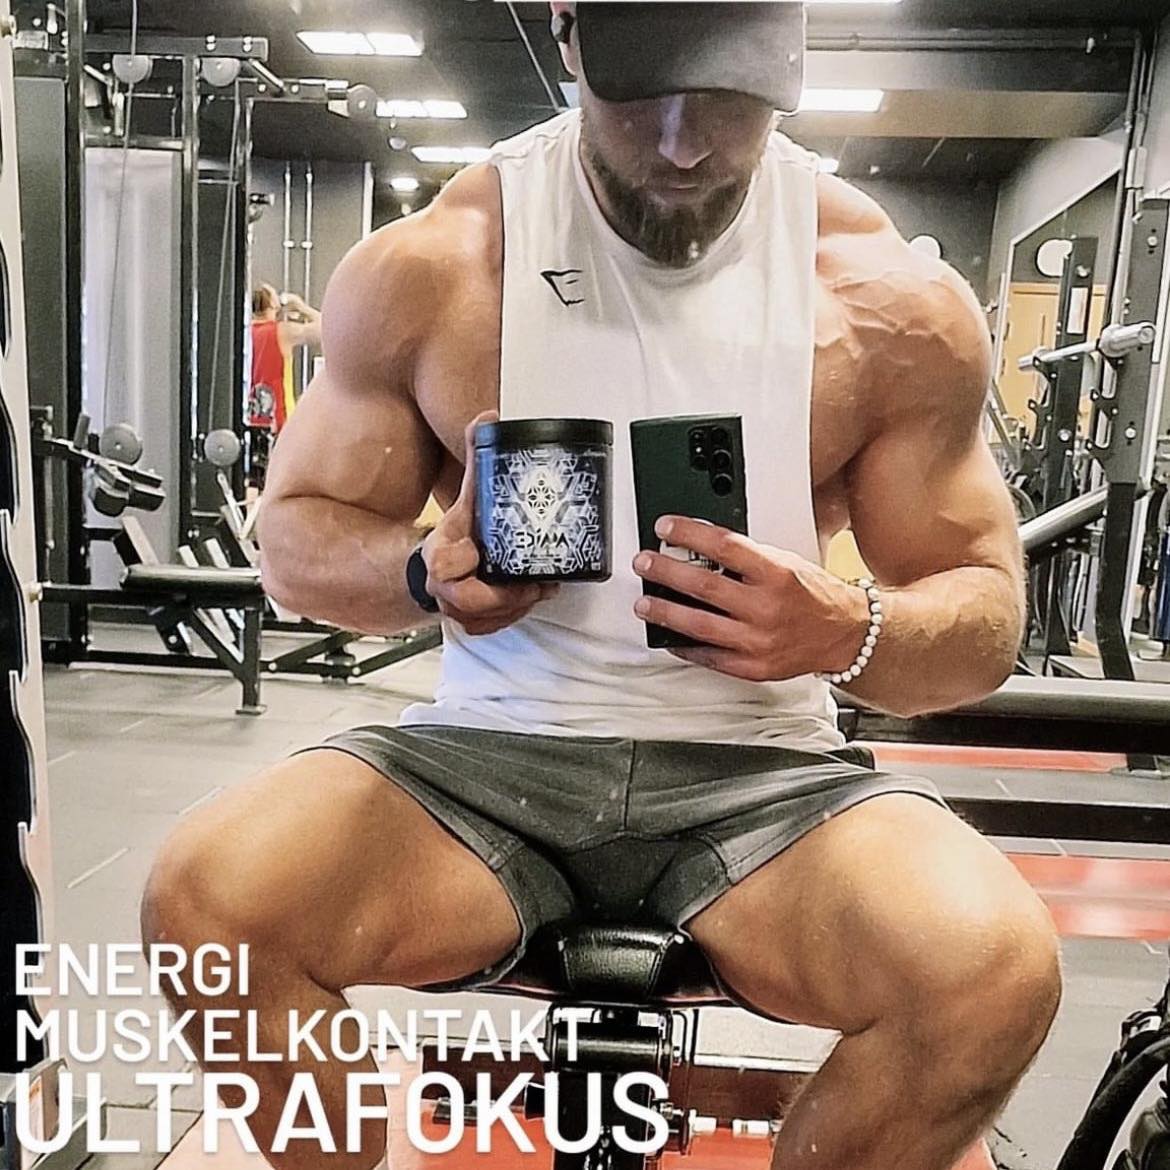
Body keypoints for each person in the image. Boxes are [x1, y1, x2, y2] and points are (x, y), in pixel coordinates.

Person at [143, 6, 1062, 1170]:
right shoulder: (438, 265)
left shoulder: (885, 300)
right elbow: (296, 541)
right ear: (569, 34)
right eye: (641, 97)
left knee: (993, 973)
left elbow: (982, 614)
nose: (681, 143)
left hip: (766, 779)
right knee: (207, 906)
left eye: (724, 100)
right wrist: (424, 574)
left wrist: (846, 625)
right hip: (484, 760)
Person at [245, 285, 322, 486]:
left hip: (250, 420)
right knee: (281, 481)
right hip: (280, 420)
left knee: (254, 481)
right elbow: (326, 329)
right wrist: (301, 307)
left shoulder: (244, 333)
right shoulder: (282, 332)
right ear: (273, 304)